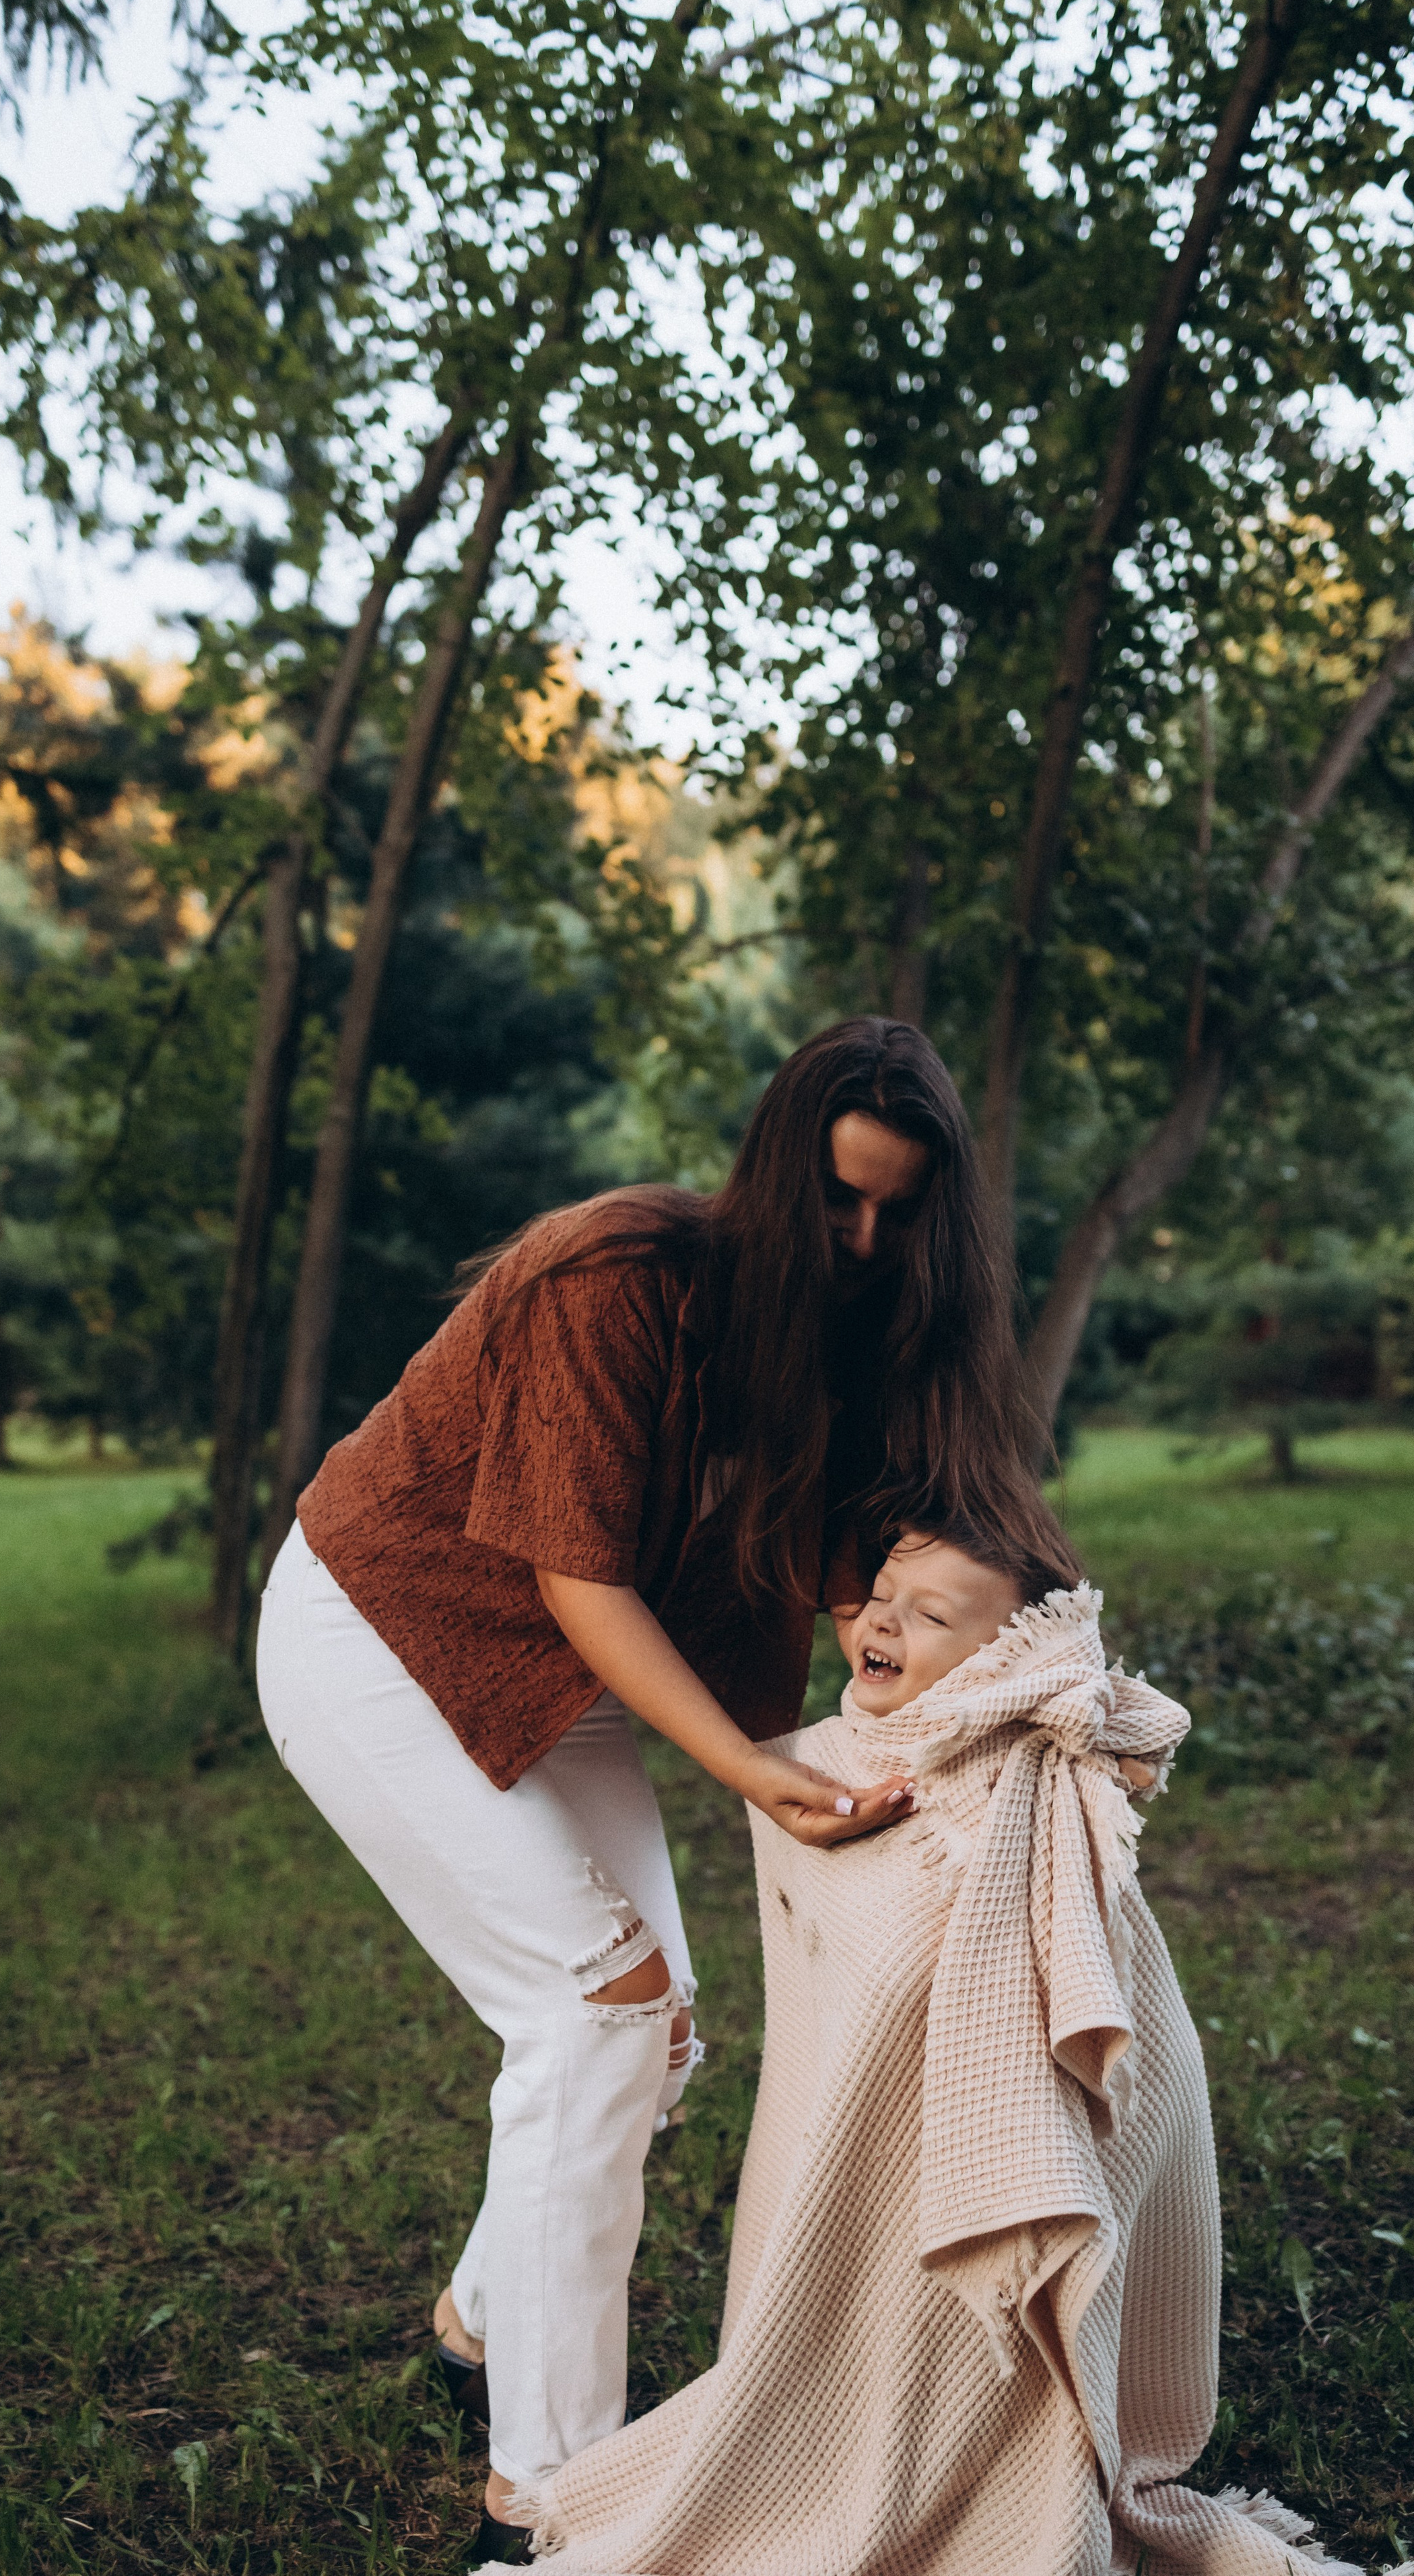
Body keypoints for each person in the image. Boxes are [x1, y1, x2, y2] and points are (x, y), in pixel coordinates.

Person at [255, 1017, 1069, 2559]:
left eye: (900, 1211)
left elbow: (893, 1560)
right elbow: (577, 1576)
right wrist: (746, 1766)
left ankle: (483, 2321)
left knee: (656, 2031)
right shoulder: (610, 1275)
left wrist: (1044, 1690)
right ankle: (554, 2504)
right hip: (380, 1624)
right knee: (598, 2008)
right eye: (839, 1199)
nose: (865, 1238)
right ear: (776, 1168)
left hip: (562, 1671)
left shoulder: (883, 1325)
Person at [496, 1529, 1366, 2576]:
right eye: (882, 1595)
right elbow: (828, 1990)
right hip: (860, 2140)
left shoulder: (1019, 1806)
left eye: (934, 1615)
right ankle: (833, 2387)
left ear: (1005, 1661)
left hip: (1021, 2128)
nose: (884, 1620)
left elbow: (1091, 1994)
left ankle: (996, 2428)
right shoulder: (818, 1765)